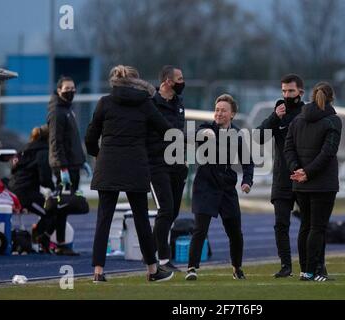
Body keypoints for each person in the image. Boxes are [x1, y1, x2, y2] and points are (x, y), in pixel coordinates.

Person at [85, 65, 175, 283]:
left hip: (108, 165)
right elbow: (166, 130)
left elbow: (90, 137)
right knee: (142, 219)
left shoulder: (104, 102)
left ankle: (98, 271)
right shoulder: (145, 103)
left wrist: (99, 155)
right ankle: (152, 270)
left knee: (104, 219)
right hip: (136, 165)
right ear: (137, 81)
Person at [185, 94, 254, 281]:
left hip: (226, 188)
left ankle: (237, 268)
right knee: (200, 229)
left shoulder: (238, 135)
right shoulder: (206, 129)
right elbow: (190, 136)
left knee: (235, 232)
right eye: (217, 110)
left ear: (232, 114)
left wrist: (247, 181)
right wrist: (202, 135)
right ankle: (191, 268)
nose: (219, 113)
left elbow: (248, 163)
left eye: (223, 110)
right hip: (205, 185)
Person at [284, 82, 342, 281]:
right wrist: (307, 172)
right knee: (318, 228)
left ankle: (304, 270)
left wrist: (297, 170)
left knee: (305, 227)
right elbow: (328, 153)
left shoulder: (297, 120)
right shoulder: (333, 121)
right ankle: (313, 271)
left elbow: (288, 149)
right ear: (331, 98)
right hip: (322, 184)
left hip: (300, 183)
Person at [256, 73, 305, 278]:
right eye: (284, 91)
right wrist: (275, 117)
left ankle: (310, 265)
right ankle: (286, 265)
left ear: (300, 92)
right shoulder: (278, 114)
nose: (286, 95)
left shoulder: (306, 113)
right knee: (281, 223)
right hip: (282, 178)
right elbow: (258, 137)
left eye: (291, 91)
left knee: (310, 224)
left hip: (304, 177)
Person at [147, 65, 189, 272]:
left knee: (173, 213)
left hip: (177, 164)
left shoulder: (179, 103)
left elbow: (179, 132)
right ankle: (163, 259)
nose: (183, 81)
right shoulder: (151, 104)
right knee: (165, 209)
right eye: (179, 78)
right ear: (167, 81)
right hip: (157, 164)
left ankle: (151, 251)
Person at [47, 76, 91, 255]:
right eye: (67, 88)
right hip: (65, 167)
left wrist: (81, 161)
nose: (71, 91)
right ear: (59, 90)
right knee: (62, 205)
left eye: (73, 88)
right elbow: (56, 143)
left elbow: (71, 141)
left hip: (73, 164)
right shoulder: (57, 111)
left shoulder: (67, 110)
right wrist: (62, 168)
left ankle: (50, 237)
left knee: (68, 204)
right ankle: (57, 240)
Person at [8, 125, 55, 252]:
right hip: (26, 193)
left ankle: (39, 236)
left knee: (48, 210)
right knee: (52, 211)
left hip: (13, 190)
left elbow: (13, 169)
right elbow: (44, 177)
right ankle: (39, 236)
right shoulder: (43, 152)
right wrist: (53, 188)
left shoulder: (24, 149)